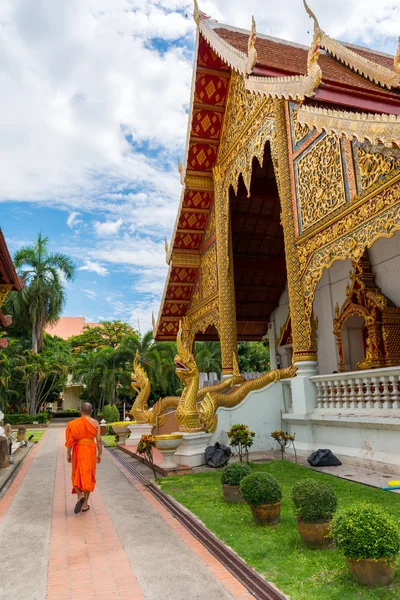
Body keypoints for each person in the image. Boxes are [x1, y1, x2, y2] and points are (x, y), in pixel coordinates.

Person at [65, 402, 102, 514]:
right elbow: (99, 440)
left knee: (76, 474)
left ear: (80, 410)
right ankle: (85, 505)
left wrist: (68, 453)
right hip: (90, 450)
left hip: (78, 449)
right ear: (91, 411)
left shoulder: (74, 424)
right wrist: (100, 453)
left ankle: (80, 496)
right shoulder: (95, 423)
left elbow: (70, 441)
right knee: (88, 475)